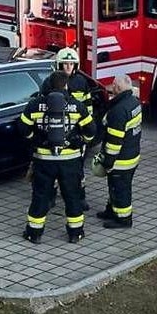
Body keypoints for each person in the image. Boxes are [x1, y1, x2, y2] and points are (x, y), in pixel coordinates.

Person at [20, 71, 96, 244]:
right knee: (72, 196)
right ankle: (75, 233)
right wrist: (81, 141)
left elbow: (23, 128)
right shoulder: (77, 106)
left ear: (48, 85)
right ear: (66, 86)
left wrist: (36, 139)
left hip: (44, 160)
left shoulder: (34, 105)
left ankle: (34, 233)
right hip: (70, 161)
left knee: (40, 196)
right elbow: (91, 130)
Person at [41, 47, 92, 210]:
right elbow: (42, 108)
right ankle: (50, 197)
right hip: (54, 131)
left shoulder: (81, 82)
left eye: (71, 64)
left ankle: (80, 198)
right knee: (51, 168)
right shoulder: (49, 82)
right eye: (65, 64)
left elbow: (87, 107)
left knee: (78, 170)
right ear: (58, 65)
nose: (68, 67)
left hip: (75, 133)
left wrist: (84, 132)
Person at [94, 75, 142, 229]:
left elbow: (114, 143)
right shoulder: (134, 102)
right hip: (132, 155)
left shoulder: (119, 111)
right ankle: (111, 210)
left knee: (120, 188)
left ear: (117, 88)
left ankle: (123, 219)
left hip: (121, 160)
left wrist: (108, 162)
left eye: (113, 85)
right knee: (114, 186)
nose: (111, 87)